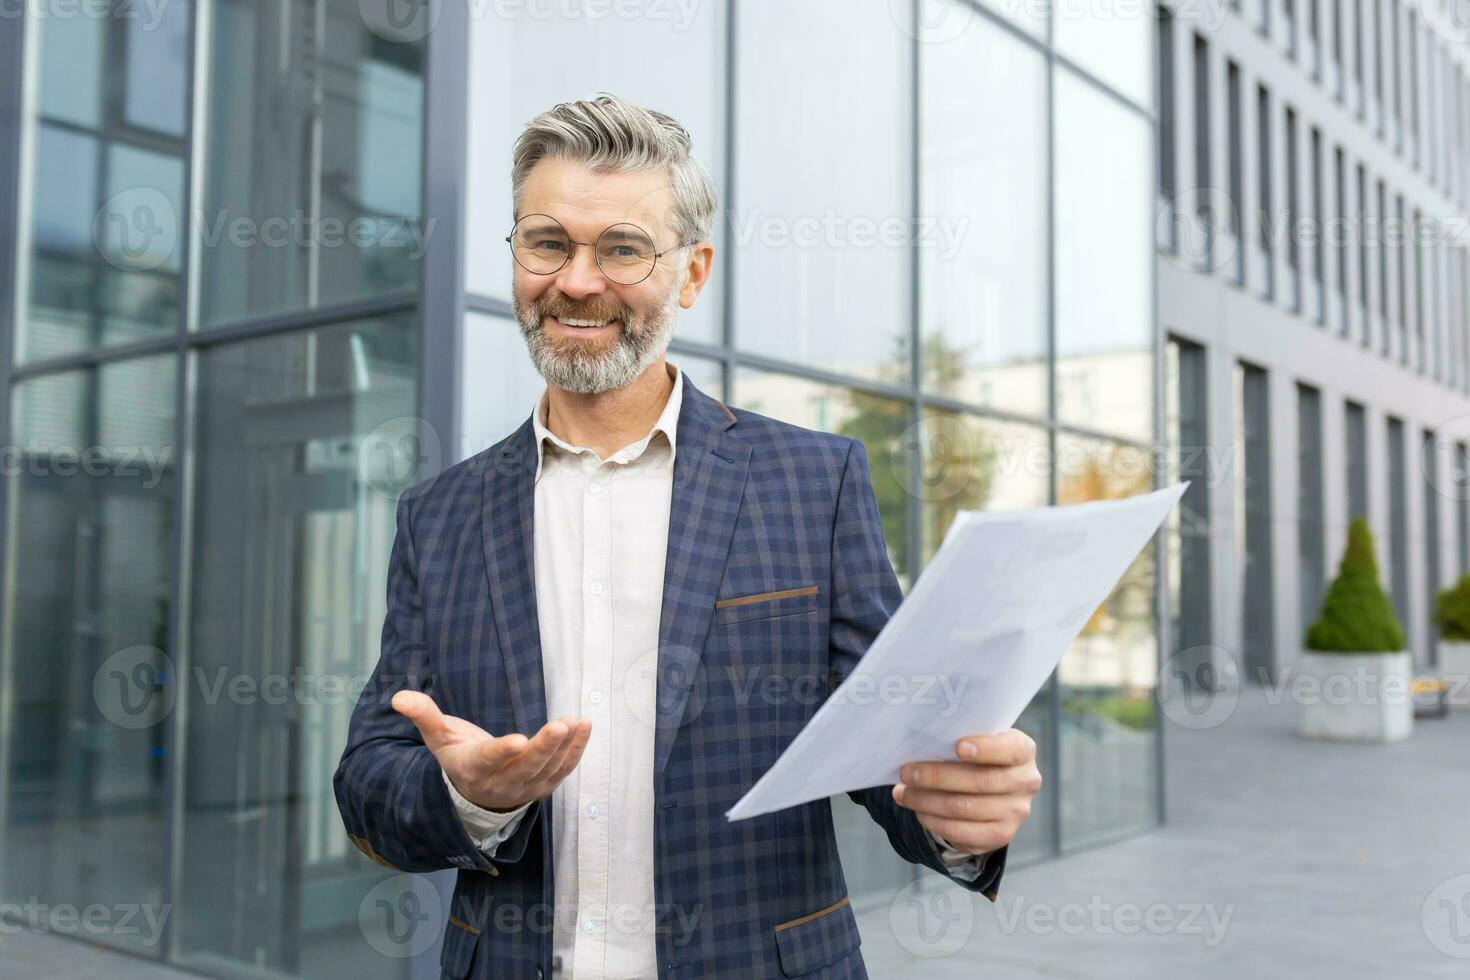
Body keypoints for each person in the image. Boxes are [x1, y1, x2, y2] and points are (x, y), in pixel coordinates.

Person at [334, 92, 1042, 980]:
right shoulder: (439, 516)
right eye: (547, 241)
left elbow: (885, 750)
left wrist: (954, 815)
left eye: (623, 248)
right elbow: (367, 784)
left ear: (692, 273)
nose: (578, 282)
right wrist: (465, 797)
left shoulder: (812, 484)